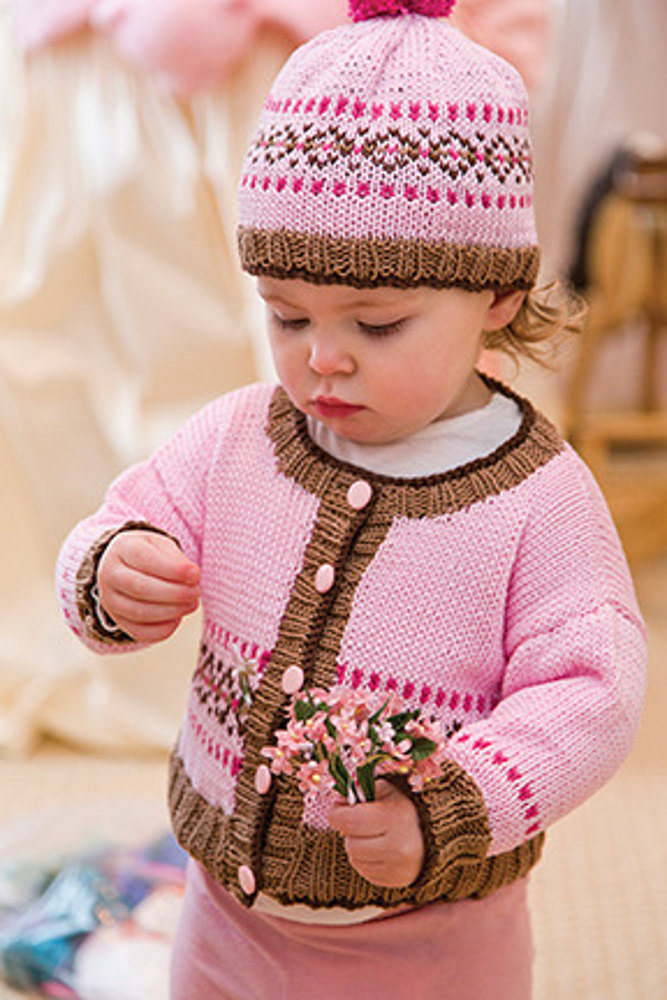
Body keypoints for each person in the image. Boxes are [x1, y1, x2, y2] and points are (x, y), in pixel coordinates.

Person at [56, 2, 647, 997]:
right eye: (287, 315)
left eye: (377, 323)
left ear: (497, 295)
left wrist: (448, 805)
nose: (322, 356)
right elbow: (126, 514)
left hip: (430, 936)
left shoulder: (538, 501)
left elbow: (592, 689)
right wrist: (112, 568)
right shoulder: (236, 436)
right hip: (224, 908)